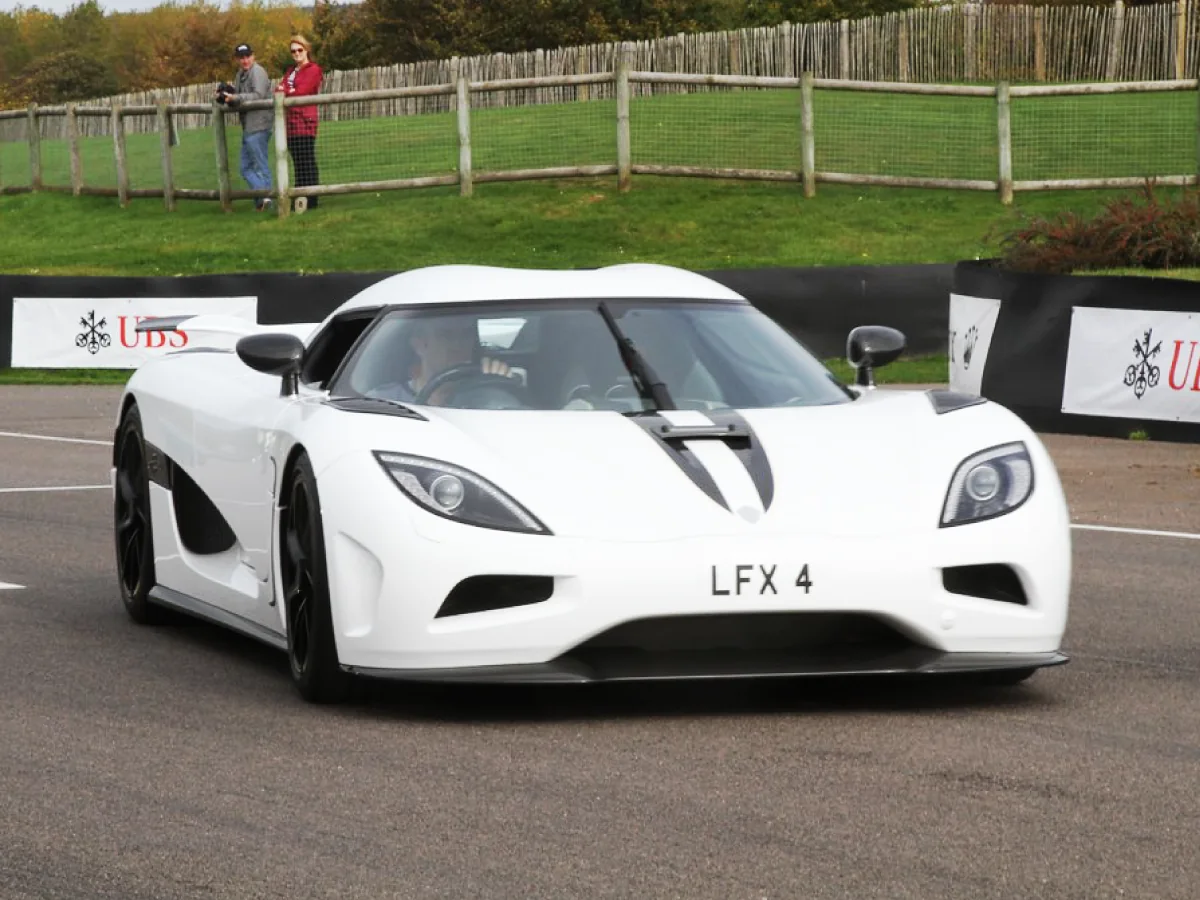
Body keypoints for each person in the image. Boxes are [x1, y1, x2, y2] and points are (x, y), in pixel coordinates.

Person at [407, 317, 514, 406]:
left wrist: (498, 386)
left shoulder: (485, 395)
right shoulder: (393, 402)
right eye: (445, 335)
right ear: (419, 346)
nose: (457, 344)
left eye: (466, 335)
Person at [218, 43, 273, 211]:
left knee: (260, 166)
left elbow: (258, 95)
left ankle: (267, 198)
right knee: (246, 168)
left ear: (253, 56)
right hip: (249, 126)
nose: (245, 60)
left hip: (259, 124)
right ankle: (262, 199)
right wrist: (225, 94)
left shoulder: (258, 72)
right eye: (241, 57)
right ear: (237, 59)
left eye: (247, 56)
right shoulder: (240, 74)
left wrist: (235, 97)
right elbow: (239, 96)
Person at [275, 35, 323, 213]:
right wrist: (287, 90)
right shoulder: (290, 71)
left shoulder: (313, 69)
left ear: (306, 50)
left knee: (307, 160)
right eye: (293, 51)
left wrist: (286, 90)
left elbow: (302, 91)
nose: (296, 53)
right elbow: (279, 89)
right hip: (291, 124)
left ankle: (311, 199)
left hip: (305, 122)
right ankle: (299, 198)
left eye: (299, 50)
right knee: (297, 162)